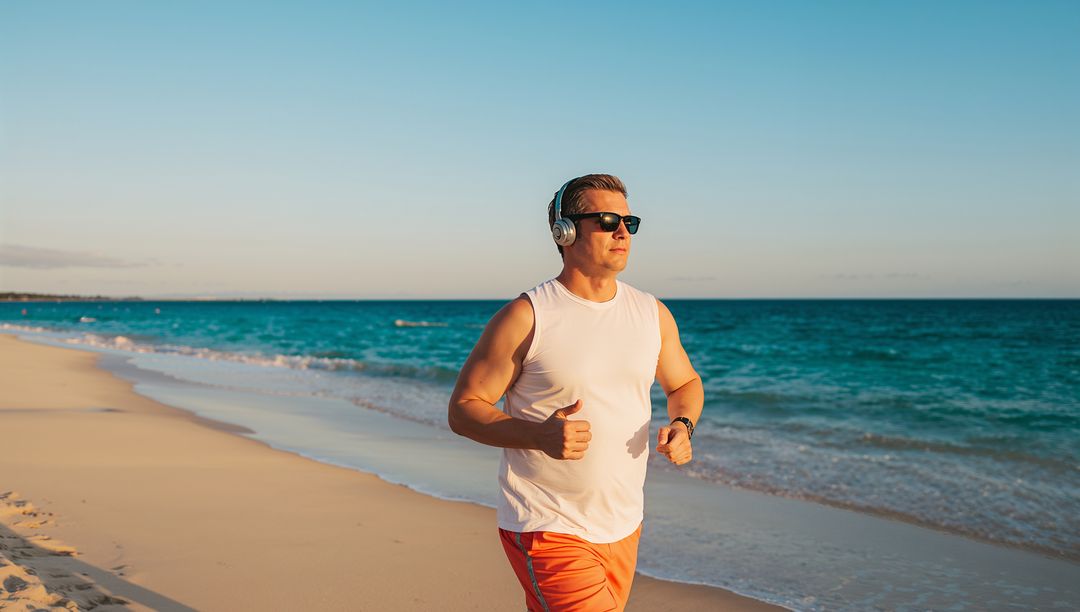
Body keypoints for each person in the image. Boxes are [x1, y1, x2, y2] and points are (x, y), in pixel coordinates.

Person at [448, 174, 703, 611]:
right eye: (606, 220)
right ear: (564, 232)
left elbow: (684, 384)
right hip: (547, 524)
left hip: (623, 523)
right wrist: (537, 436)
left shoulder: (651, 313)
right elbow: (464, 409)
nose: (622, 232)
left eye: (629, 221)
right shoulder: (528, 316)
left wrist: (682, 425)